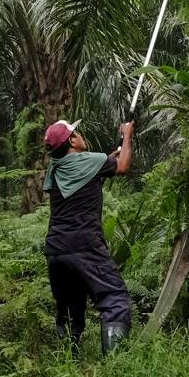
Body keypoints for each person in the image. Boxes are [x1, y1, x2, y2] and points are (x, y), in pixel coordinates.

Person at [41, 118, 134, 356]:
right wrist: (127, 135)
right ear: (72, 140)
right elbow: (122, 167)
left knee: (70, 312)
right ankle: (116, 365)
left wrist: (107, 159)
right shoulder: (91, 161)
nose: (81, 135)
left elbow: (85, 177)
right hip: (85, 246)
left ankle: (66, 364)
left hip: (56, 250)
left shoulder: (55, 167)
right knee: (114, 299)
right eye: (76, 132)